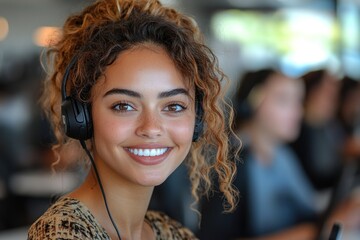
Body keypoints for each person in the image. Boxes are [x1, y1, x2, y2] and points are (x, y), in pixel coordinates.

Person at [27, 0, 238, 239]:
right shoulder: (62, 233)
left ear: (197, 119)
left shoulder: (172, 232)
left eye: (174, 106)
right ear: (81, 117)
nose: (151, 128)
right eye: (124, 106)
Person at [200, 69, 320, 240]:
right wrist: (303, 234)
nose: (297, 111)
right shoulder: (230, 163)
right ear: (251, 103)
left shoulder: (282, 154)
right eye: (283, 100)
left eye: (298, 101)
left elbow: (309, 208)